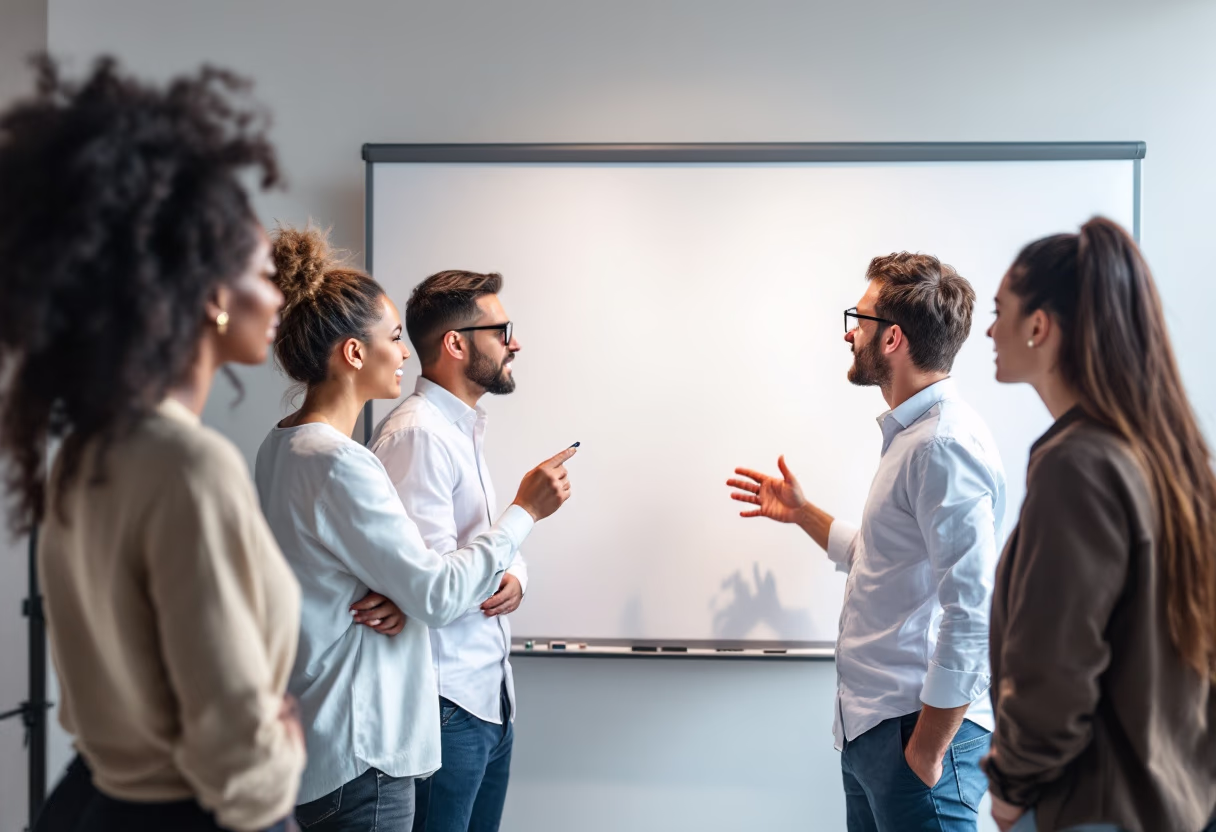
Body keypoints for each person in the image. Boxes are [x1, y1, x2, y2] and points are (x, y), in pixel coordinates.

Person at [0, 57, 304, 831]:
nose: (278, 296)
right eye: (262, 274)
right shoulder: (188, 468)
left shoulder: (88, 451)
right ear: (209, 294)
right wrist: (284, 757)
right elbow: (234, 745)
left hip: (93, 803)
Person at [255, 227, 576, 832]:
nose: (404, 354)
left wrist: (411, 589)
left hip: (337, 736)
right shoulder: (352, 455)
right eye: (394, 338)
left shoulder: (284, 446)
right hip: (366, 747)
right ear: (355, 353)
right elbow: (434, 590)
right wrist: (525, 513)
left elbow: (400, 578)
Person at [727, 253, 1005, 832]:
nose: (851, 332)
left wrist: (927, 750)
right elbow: (885, 561)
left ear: (893, 338)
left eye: (862, 318)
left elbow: (971, 609)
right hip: (877, 734)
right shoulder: (912, 439)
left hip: (919, 737)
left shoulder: (942, 444)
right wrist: (804, 515)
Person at [983, 217, 1216, 832]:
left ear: (1040, 326)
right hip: (1171, 803)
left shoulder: (1078, 465)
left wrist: (1010, 790)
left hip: (1091, 807)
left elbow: (1055, 667)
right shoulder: (1166, 455)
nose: (988, 328)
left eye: (999, 309)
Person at [367, 270, 528, 832]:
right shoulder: (417, 435)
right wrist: (526, 512)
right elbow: (432, 587)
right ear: (456, 343)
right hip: (447, 701)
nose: (515, 343)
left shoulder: (460, 428)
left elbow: (479, 545)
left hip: (489, 696)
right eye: (502, 330)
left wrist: (517, 576)